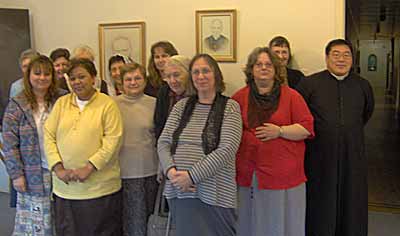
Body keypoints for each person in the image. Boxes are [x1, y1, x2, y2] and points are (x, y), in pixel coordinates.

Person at [232, 47, 314, 236]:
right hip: (249, 172)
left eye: (268, 64)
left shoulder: (292, 96)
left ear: (276, 69)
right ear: (251, 70)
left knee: (281, 222)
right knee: (249, 220)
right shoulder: (239, 97)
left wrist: (280, 131)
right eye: (258, 64)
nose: (263, 68)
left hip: (284, 174)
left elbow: (306, 129)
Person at [296, 39, 375, 236]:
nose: (341, 59)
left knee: (352, 197)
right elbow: (300, 116)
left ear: (352, 58)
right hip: (319, 155)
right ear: (327, 58)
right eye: (336, 54)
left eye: (346, 54)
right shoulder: (309, 84)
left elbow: (366, 113)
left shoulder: (363, 85)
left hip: (352, 153)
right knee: (321, 198)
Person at [158, 54, 242, 236]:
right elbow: (163, 142)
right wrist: (171, 172)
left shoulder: (231, 107)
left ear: (216, 75)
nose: (200, 76)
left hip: (215, 192)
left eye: (206, 71)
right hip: (180, 190)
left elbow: (227, 150)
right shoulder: (181, 106)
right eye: (196, 72)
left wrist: (192, 176)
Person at [44, 58, 123, 236]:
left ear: (94, 78)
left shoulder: (107, 104)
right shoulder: (62, 103)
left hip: (100, 189)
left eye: (82, 77)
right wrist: (57, 168)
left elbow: (113, 140)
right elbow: (48, 136)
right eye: (72, 78)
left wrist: (89, 167)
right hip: (65, 188)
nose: (77, 82)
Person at [2, 55, 66, 235]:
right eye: (37, 73)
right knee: (38, 223)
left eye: (47, 73)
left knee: (63, 218)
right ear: (28, 76)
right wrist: (16, 175)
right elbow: (9, 143)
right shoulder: (17, 104)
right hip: (33, 173)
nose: (42, 77)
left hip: (62, 169)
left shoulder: (63, 99)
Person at [113, 62, 158, 236]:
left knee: (150, 222)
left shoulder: (155, 103)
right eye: (128, 79)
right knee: (130, 224)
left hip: (151, 172)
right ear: (121, 83)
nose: (133, 82)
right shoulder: (111, 104)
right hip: (123, 173)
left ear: (145, 80)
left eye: (137, 78)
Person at [154, 55, 191, 140]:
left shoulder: (199, 94)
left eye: (176, 75)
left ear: (189, 73)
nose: (172, 81)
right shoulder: (164, 92)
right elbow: (159, 126)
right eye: (168, 76)